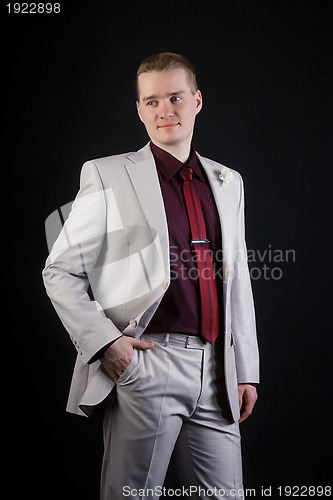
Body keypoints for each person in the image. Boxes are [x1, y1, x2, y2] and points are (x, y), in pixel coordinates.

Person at [43, 52, 259, 500]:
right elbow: (60, 270)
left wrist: (245, 370)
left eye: (176, 97)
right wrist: (107, 343)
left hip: (217, 368)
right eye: (152, 101)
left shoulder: (227, 180)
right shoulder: (107, 175)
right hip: (148, 361)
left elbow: (237, 280)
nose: (166, 110)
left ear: (196, 101)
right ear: (140, 110)